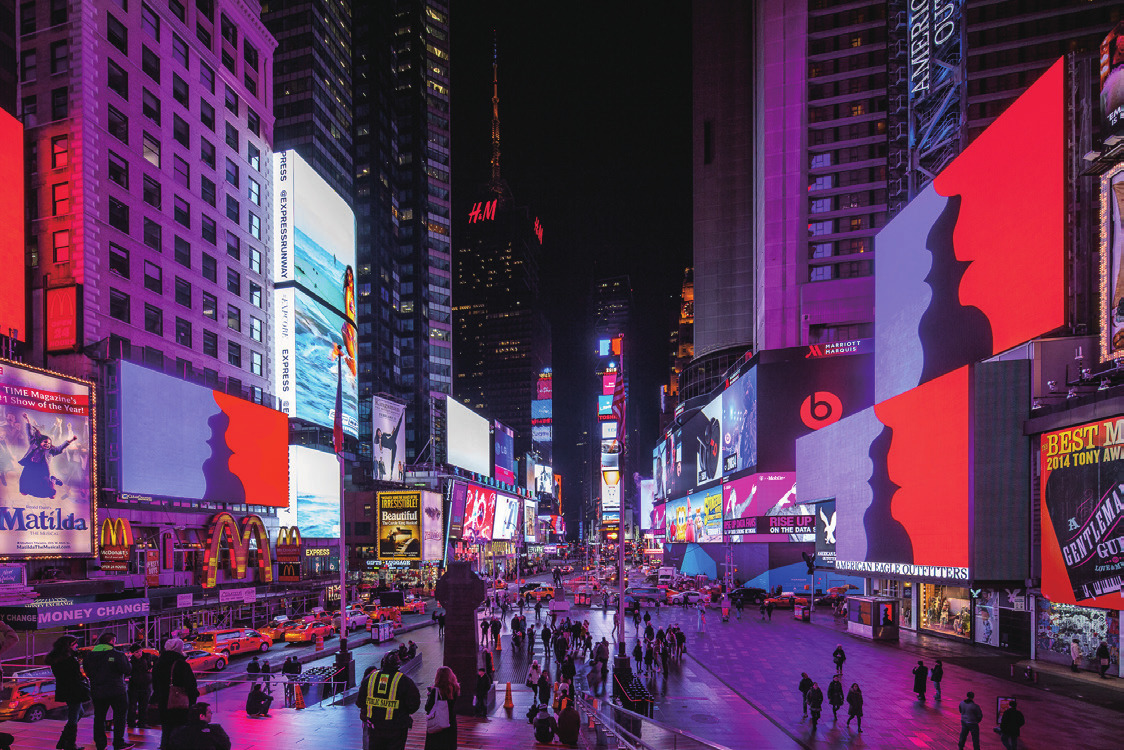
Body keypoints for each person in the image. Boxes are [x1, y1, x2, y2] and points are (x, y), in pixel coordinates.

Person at [358, 651, 421, 750]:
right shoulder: (404, 680)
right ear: (398, 664)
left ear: (383, 662)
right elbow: (414, 704)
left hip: (375, 728)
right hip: (397, 729)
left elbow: (360, 702)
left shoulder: (371, 678)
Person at [84, 631, 134, 750]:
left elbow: (87, 672)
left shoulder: (89, 656)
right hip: (117, 691)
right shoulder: (117, 654)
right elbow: (127, 670)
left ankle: (100, 745)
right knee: (120, 717)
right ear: (112, 641)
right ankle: (119, 743)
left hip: (97, 691)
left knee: (99, 717)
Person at [152, 638, 198, 750]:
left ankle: (165, 747)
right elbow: (191, 685)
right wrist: (192, 700)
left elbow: (155, 685)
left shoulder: (158, 663)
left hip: (163, 702)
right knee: (179, 730)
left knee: (166, 729)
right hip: (179, 702)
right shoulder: (181, 664)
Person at [46, 635, 89, 750]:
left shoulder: (57, 658)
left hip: (65, 689)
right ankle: (70, 744)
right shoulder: (69, 660)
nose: (77, 646)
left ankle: (63, 742)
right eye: (75, 644)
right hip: (74, 690)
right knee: (74, 716)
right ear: (69, 645)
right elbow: (74, 676)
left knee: (78, 713)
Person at [166, 702, 231, 750]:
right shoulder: (215, 730)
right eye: (209, 712)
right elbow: (226, 746)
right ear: (202, 716)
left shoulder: (178, 732)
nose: (211, 714)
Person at [424, 665, 459, 750]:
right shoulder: (455, 688)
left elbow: (427, 707)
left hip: (437, 724)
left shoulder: (435, 691)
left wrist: (430, 694)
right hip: (450, 722)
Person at [127, 644, 155, 728]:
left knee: (144, 705)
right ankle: (131, 722)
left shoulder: (147, 657)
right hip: (135, 686)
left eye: (140, 651)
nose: (139, 653)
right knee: (133, 705)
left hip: (146, 684)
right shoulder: (131, 661)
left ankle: (142, 722)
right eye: (137, 652)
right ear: (132, 653)